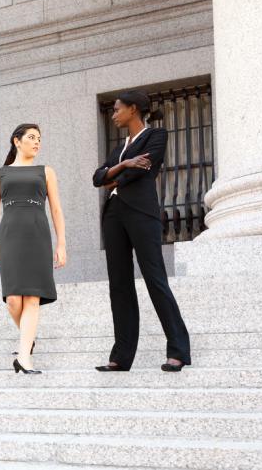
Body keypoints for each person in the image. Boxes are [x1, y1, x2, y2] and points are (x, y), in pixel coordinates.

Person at [93, 90, 191, 372]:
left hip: (141, 213)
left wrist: (114, 177)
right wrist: (122, 165)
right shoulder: (120, 149)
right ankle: (121, 357)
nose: (113, 115)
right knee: (119, 286)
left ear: (133, 109)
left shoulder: (156, 136)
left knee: (155, 278)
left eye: (117, 109)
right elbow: (97, 177)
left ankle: (178, 351)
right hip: (113, 215)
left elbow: (141, 171)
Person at [0, 124, 67, 375]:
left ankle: (23, 358)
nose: (36, 142)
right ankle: (27, 340)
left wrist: (62, 243)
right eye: (31, 137)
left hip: (38, 235)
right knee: (12, 299)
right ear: (17, 141)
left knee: (32, 297)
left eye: (39, 138)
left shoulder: (47, 172)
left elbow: (56, 210)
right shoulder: (0, 173)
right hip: (10, 235)